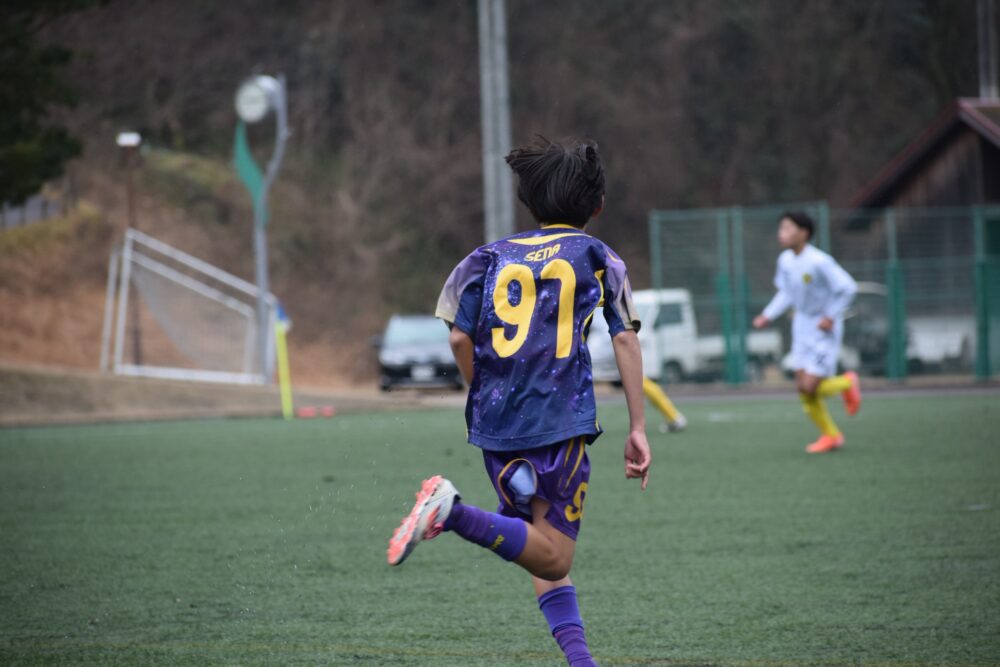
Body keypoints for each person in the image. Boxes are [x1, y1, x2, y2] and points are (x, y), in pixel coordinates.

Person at [387, 137, 651, 667]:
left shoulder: (487, 256)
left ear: (529, 202)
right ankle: (452, 512)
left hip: (495, 424)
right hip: (558, 418)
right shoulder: (598, 256)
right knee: (555, 558)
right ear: (597, 206)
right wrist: (638, 427)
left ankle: (582, 662)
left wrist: (482, 390)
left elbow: (458, 338)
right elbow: (624, 337)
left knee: (538, 547)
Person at [753, 211, 862, 454]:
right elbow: (786, 293)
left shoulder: (819, 261)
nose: (781, 233)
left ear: (804, 233)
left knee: (812, 386)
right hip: (801, 325)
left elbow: (848, 288)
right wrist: (768, 315)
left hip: (823, 328)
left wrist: (830, 315)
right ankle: (831, 436)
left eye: (787, 228)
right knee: (802, 389)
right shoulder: (785, 260)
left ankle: (847, 382)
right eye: (781, 228)